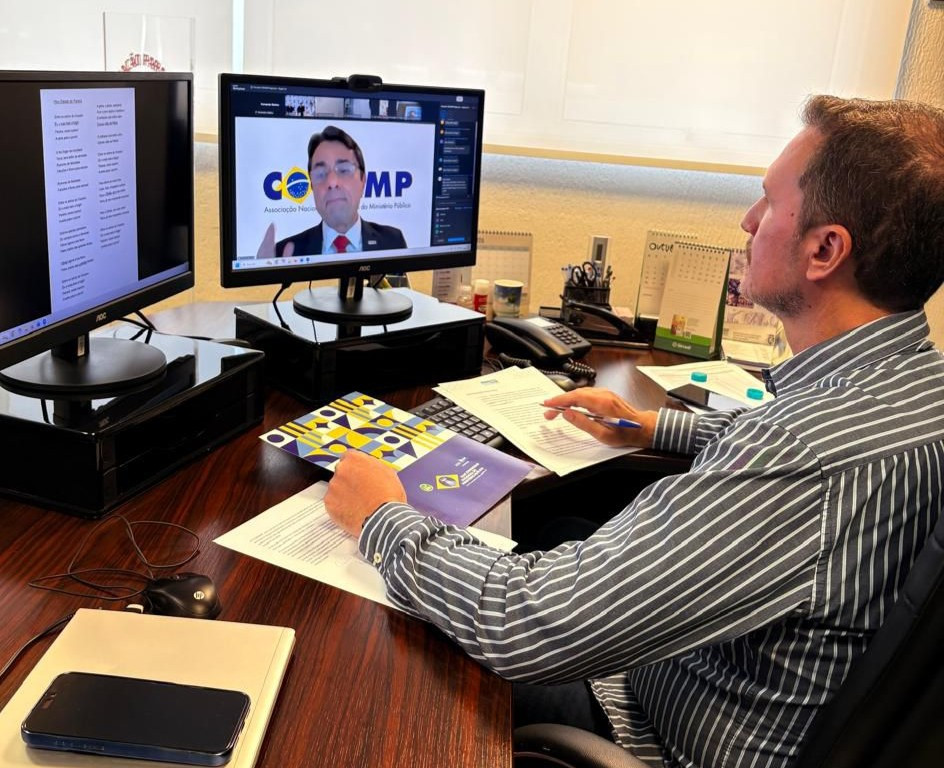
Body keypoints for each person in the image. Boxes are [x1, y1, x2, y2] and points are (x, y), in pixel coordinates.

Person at [323, 95, 944, 767]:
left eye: (768, 202)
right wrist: (654, 426)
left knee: (387, 657)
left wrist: (381, 517)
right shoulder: (914, 387)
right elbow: (787, 451)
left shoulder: (797, 455)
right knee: (561, 528)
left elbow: (524, 623)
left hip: (650, 734)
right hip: (738, 684)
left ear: (825, 249)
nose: (747, 220)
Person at [272, 125, 407, 257]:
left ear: (363, 181)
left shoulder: (393, 242)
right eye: (320, 173)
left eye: (343, 170)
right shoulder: (284, 254)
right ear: (312, 186)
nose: (332, 182)